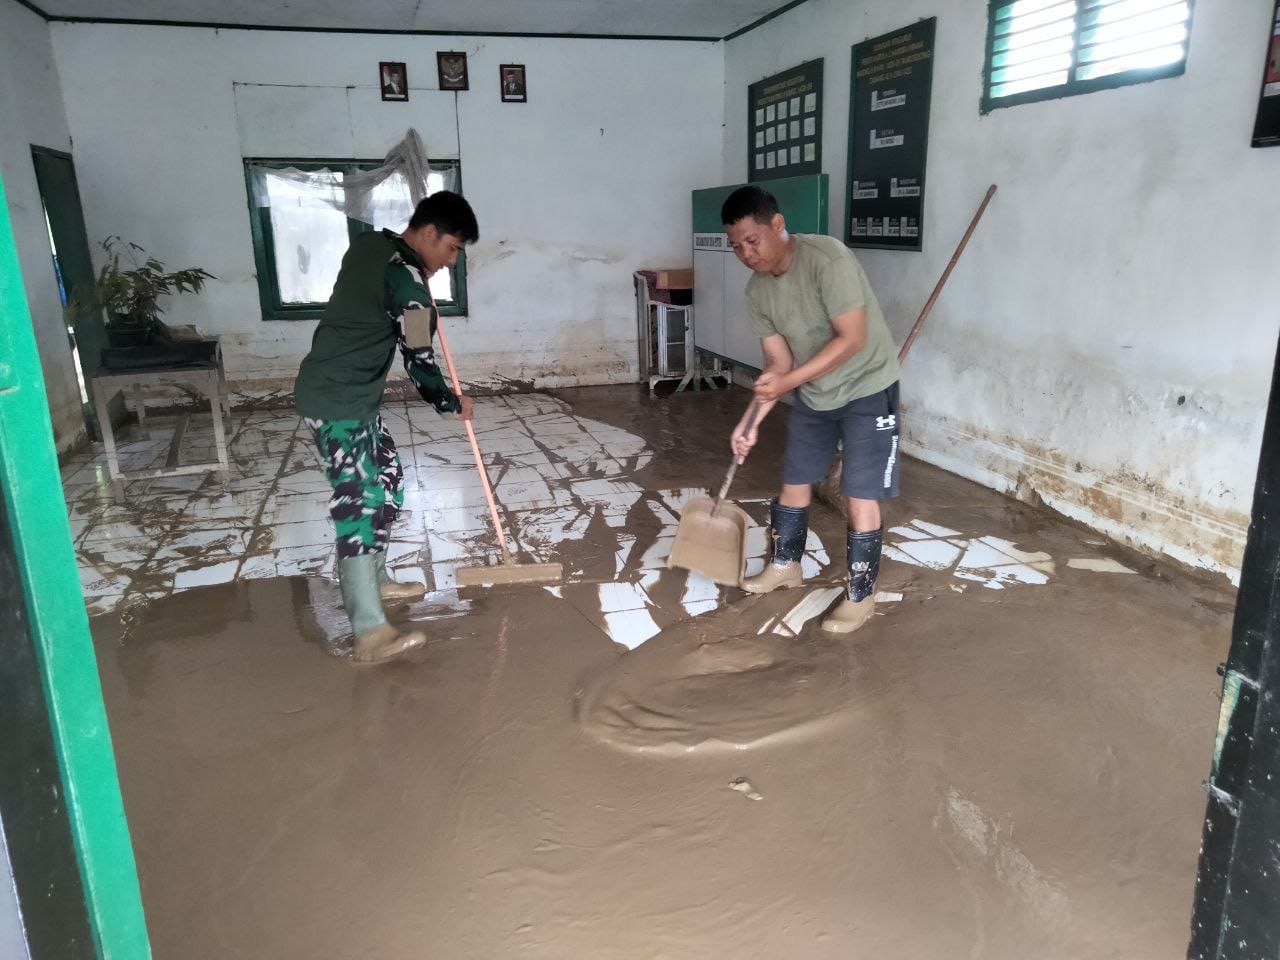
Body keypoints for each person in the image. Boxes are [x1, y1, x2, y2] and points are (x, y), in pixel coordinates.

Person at [294, 191, 479, 663]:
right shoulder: (409, 286)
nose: (451, 261)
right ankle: (370, 632)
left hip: (352, 397)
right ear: (429, 233)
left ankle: (376, 580)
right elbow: (419, 360)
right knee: (360, 499)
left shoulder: (369, 246)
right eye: (452, 248)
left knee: (389, 480)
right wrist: (449, 402)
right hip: (338, 402)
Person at [723, 185, 900, 634]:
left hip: (867, 386)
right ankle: (786, 565)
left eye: (752, 241)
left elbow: (852, 338)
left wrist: (788, 382)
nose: (746, 254)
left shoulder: (828, 260)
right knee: (796, 478)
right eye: (736, 246)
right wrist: (750, 422)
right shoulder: (757, 292)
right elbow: (778, 365)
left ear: (777, 225)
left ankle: (861, 594)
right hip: (815, 391)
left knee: (859, 491)